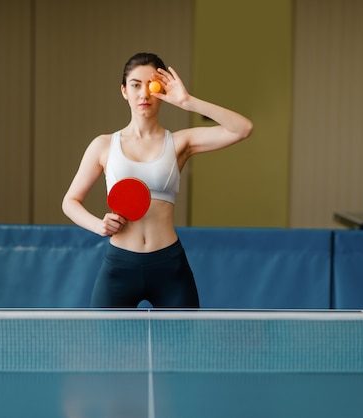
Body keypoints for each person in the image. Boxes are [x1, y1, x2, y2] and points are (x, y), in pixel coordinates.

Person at [62, 52, 253, 308]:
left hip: (169, 265)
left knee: (183, 346)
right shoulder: (103, 145)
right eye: (135, 85)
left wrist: (187, 102)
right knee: (106, 347)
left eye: (151, 86)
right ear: (124, 91)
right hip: (120, 264)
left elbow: (243, 129)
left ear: (162, 89)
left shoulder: (179, 142)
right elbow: (70, 201)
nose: (144, 94)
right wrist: (99, 226)